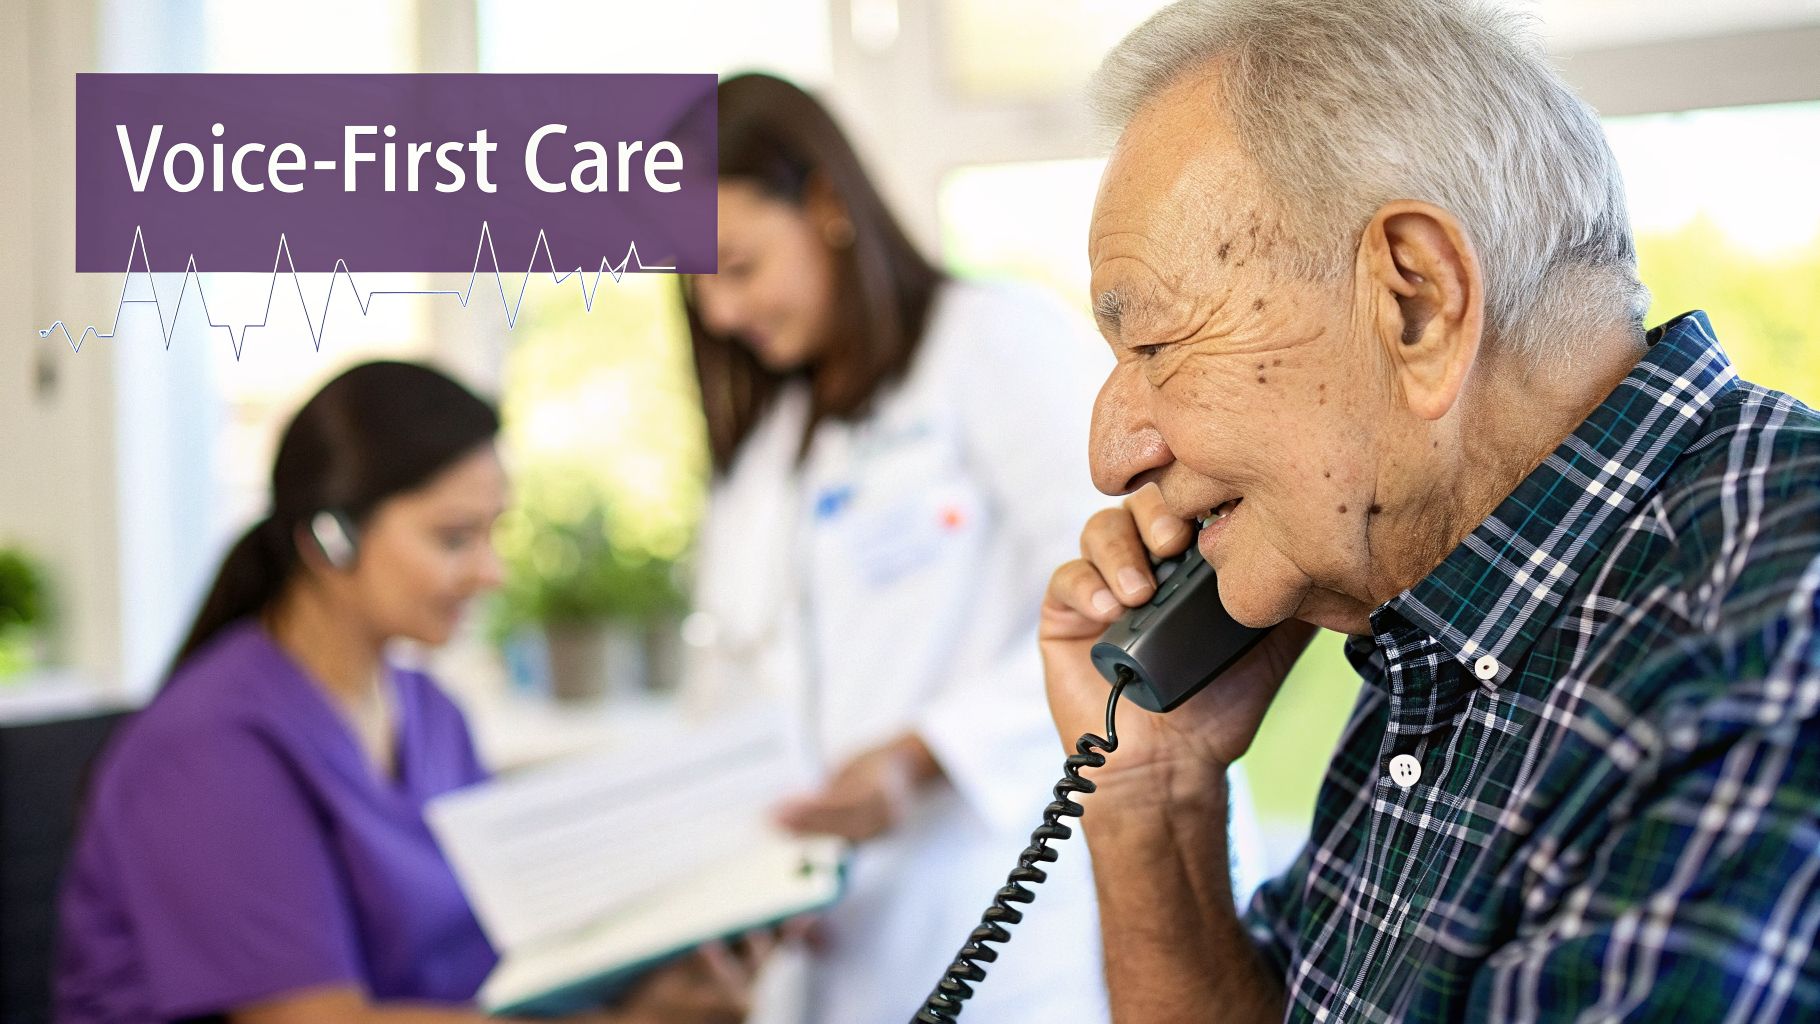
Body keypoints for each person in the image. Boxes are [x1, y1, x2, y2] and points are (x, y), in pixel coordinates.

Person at [1038, 0, 1820, 1020]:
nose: (1113, 457)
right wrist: (1151, 796)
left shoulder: (1762, 653)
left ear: (1414, 300)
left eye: (1152, 347)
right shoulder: (1447, 608)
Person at [678, 74, 1239, 1023]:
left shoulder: (993, 344)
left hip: (1011, 928)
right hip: (835, 949)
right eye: (697, 288)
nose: (722, 315)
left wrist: (918, 759)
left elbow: (1124, 599)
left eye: (739, 266)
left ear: (825, 207)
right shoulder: (766, 451)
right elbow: (739, 687)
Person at [58, 362, 763, 1024]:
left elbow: (502, 956)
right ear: (330, 540)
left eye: (494, 534)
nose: (490, 573)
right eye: (454, 539)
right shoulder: (211, 750)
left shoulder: (433, 715)